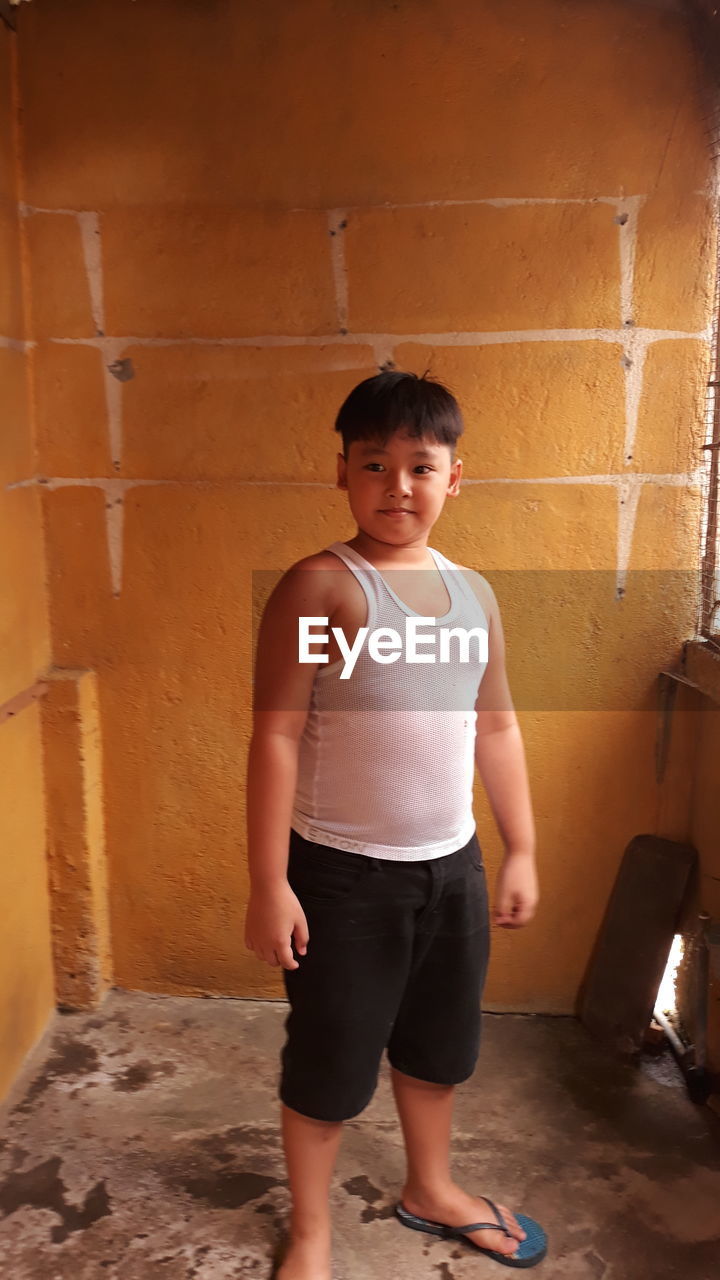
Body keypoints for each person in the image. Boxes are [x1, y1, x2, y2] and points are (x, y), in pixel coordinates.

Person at [244, 371, 546, 1277]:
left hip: (450, 870)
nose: (398, 486)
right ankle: (309, 1229)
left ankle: (430, 1186)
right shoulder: (320, 592)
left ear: (457, 478)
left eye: (421, 466)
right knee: (333, 1063)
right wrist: (269, 881)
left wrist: (521, 845)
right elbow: (276, 739)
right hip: (342, 878)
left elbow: (496, 727)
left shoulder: (474, 598)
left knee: (437, 1047)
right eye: (375, 464)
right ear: (343, 473)